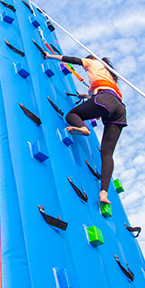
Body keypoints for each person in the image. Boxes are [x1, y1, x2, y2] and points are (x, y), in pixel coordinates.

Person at [44, 52, 127, 205]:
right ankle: (104, 193)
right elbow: (103, 93)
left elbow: (73, 60)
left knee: (72, 114)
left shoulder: (93, 62)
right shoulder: (108, 75)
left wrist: (49, 56)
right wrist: (86, 96)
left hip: (104, 101)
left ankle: (83, 128)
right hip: (119, 109)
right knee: (107, 154)